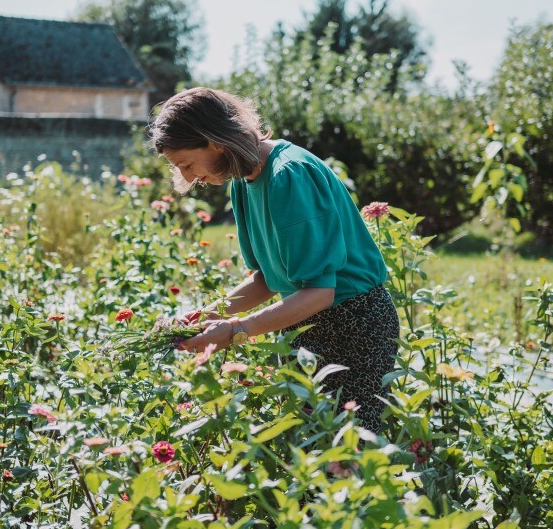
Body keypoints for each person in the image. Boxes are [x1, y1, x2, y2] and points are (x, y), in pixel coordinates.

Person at [150, 87, 399, 434]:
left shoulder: (289, 175)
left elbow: (320, 292)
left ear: (214, 141)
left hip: (353, 323)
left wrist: (237, 331)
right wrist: (205, 317)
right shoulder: (243, 181)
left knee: (349, 452)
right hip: (301, 321)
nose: (190, 178)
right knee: (311, 449)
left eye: (187, 164)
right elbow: (266, 280)